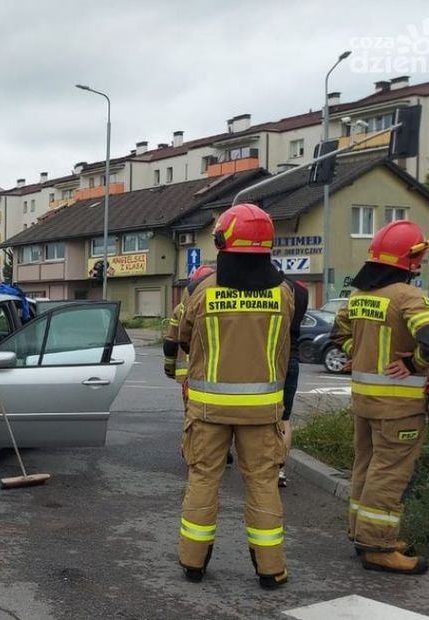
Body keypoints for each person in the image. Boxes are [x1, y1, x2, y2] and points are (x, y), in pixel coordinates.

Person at [176, 203, 295, 590]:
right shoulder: (285, 294)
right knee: (262, 483)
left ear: (222, 241)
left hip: (208, 410)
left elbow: (183, 337)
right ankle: (270, 569)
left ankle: (193, 562)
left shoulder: (202, 291)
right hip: (261, 412)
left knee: (203, 480)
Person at [330, 220, 429, 575]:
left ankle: (361, 533)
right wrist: (414, 363)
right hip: (398, 407)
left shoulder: (359, 296)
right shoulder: (408, 297)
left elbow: (339, 335)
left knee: (366, 468)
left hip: (364, 403)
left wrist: (357, 352)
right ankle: (377, 546)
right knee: (389, 474)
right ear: (411, 260)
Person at [278, 279, 309, 487]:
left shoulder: (271, 288)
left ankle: (261, 467)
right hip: (292, 357)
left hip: (270, 359)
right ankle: (279, 470)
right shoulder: (302, 291)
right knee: (284, 418)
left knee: (264, 418)